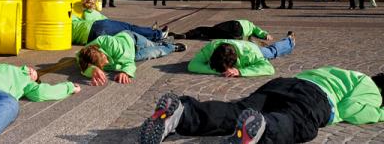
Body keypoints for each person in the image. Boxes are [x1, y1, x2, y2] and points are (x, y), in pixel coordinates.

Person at [140, 67, 384, 144]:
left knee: (237, 110)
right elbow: (356, 110)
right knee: (301, 125)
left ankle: (181, 114)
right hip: (315, 97)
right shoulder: (369, 87)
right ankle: (262, 129)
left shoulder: (343, 71)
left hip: (284, 83)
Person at [77, 31, 186, 86]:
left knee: (155, 48)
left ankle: (172, 46)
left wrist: (125, 72)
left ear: (103, 53)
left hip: (133, 41)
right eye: (102, 65)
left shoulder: (111, 44)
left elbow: (128, 62)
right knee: (155, 51)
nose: (106, 65)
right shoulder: (87, 51)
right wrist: (93, 69)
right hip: (133, 54)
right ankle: (166, 43)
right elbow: (79, 57)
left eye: (105, 62)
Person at [187, 33, 295, 77]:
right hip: (236, 44)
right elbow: (192, 65)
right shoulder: (211, 48)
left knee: (272, 52)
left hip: (252, 48)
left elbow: (269, 68)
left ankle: (289, 40)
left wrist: (240, 71)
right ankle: (254, 40)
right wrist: (216, 70)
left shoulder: (252, 54)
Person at [72, 0, 170, 45]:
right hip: (96, 26)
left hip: (90, 39)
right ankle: (158, 34)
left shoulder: (62, 34)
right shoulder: (78, 16)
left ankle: (151, 34)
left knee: (126, 35)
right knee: (129, 28)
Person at [183, 19, 274, 43]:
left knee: (212, 30)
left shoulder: (250, 24)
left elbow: (257, 30)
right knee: (215, 34)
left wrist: (265, 34)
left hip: (235, 25)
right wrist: (266, 35)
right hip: (237, 35)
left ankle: (189, 34)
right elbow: (259, 31)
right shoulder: (251, 29)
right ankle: (200, 34)